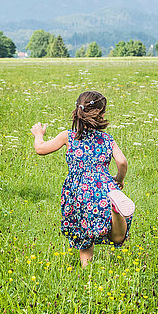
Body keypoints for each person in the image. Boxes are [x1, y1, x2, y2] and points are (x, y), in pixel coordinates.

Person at [30, 90, 135, 267]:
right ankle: (115, 211)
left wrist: (38, 134)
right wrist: (119, 179)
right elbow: (122, 161)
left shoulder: (68, 136)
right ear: (101, 114)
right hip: (106, 187)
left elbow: (40, 149)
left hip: (79, 191)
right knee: (117, 236)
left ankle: (87, 269)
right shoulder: (107, 139)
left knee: (82, 230)